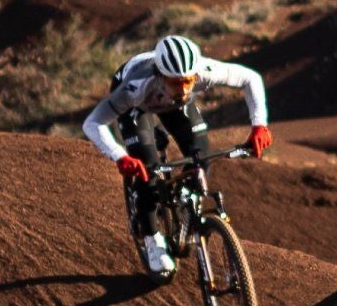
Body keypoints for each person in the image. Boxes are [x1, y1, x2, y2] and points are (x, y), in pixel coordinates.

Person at [83, 32, 274, 277]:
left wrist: (259, 125)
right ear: (161, 75)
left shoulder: (204, 71)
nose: (184, 89)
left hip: (173, 106)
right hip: (138, 107)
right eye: (176, 82)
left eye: (188, 81)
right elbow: (93, 123)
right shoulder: (135, 86)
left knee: (201, 157)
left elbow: (251, 79)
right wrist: (119, 156)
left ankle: (185, 205)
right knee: (147, 171)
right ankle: (152, 239)